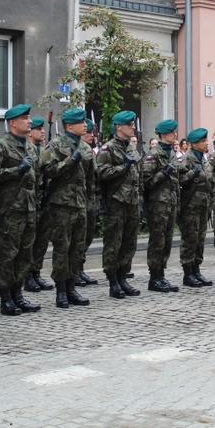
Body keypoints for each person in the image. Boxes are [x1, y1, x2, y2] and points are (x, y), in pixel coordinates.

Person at [0, 104, 42, 315]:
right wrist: (16, 170)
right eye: (25, 118)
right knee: (7, 255)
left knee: (25, 254)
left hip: (28, 208)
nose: (30, 121)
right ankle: (6, 298)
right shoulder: (1, 146)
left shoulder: (31, 148)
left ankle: (18, 294)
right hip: (9, 210)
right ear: (13, 123)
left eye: (29, 118)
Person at [40, 108, 93, 308]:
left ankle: (72, 287)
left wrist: (90, 203)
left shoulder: (86, 148)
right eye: (81, 122)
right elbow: (47, 171)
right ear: (69, 125)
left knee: (77, 247)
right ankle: (61, 290)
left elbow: (90, 179)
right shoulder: (56, 145)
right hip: (61, 204)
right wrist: (71, 160)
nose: (85, 125)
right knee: (62, 247)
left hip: (80, 203)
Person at [95, 110, 142, 299]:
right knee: (113, 242)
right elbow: (101, 173)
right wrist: (123, 167)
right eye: (129, 125)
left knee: (129, 242)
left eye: (133, 124)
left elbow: (138, 175)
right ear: (118, 127)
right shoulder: (108, 149)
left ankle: (123, 277)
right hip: (115, 201)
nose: (133, 127)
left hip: (132, 200)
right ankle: (113, 281)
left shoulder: (131, 147)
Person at [142, 119, 182, 292]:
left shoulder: (172, 152)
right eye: (173, 132)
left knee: (167, 241)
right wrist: (163, 173)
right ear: (163, 135)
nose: (176, 135)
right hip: (158, 204)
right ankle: (154, 277)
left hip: (171, 203)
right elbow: (147, 181)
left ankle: (161, 275)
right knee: (157, 241)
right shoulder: (153, 154)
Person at [179, 128, 215, 286]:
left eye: (206, 140)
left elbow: (210, 181)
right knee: (190, 239)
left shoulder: (204, 159)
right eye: (203, 141)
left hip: (203, 205)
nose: (206, 143)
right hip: (191, 206)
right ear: (194, 144)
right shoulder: (188, 159)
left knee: (200, 239)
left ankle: (197, 270)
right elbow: (180, 180)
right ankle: (188, 273)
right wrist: (191, 174)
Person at [24, 116, 54, 293]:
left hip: (43, 200)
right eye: (38, 129)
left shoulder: (43, 150)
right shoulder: (27, 150)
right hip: (29, 200)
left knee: (42, 240)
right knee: (30, 240)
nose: (42, 132)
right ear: (30, 132)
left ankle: (36, 272)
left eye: (43, 129)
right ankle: (27, 275)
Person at [77, 119, 99, 286]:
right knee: (78, 238)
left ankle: (80, 269)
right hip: (79, 200)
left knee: (87, 237)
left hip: (90, 199)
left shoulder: (90, 151)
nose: (91, 135)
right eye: (88, 132)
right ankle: (75, 271)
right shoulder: (79, 150)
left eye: (92, 133)